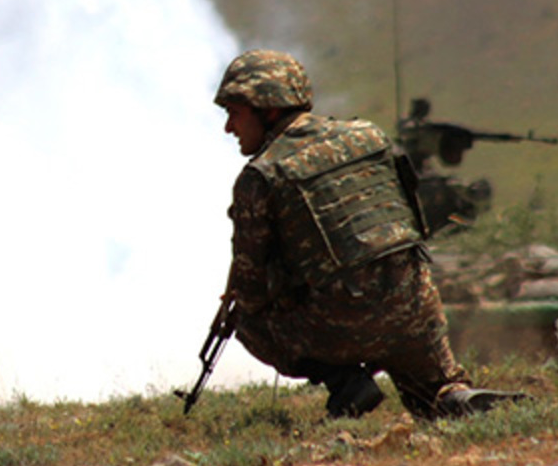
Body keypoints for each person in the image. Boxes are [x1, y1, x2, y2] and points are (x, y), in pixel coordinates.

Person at [215, 49, 525, 419]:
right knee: (432, 395)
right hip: (413, 306)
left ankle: (345, 380)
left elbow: (248, 293)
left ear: (268, 109)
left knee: (247, 321)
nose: (228, 128)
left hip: (340, 327)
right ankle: (452, 395)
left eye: (234, 113)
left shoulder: (261, 176)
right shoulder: (370, 137)